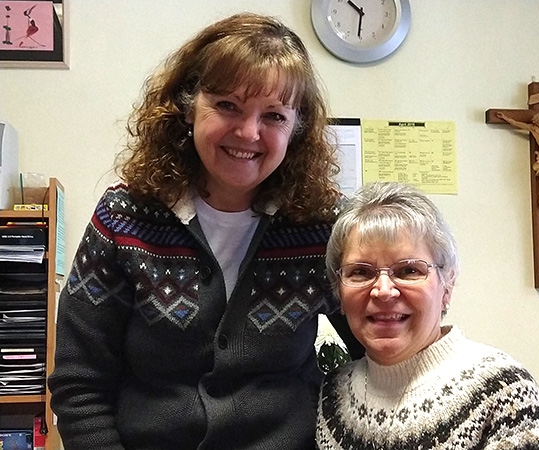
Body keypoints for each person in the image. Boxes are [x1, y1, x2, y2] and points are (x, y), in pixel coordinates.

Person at [47, 12, 361, 450]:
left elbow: (382, 351)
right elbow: (80, 385)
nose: (248, 132)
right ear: (187, 105)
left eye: (274, 116)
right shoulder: (124, 218)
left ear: (297, 129)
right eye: (228, 105)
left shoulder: (322, 228)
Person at [316, 181, 539, 450]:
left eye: (408, 271)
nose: (384, 291)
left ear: (447, 285)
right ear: (338, 291)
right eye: (360, 272)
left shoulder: (504, 392)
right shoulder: (333, 394)